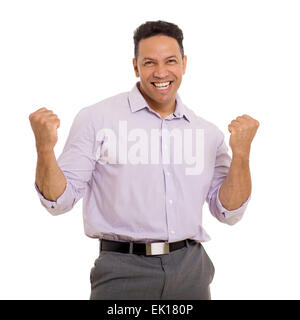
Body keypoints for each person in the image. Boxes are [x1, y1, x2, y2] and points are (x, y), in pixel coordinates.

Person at [29, 20, 259, 300]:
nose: (161, 72)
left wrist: (242, 154)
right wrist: (44, 149)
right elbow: (58, 201)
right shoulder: (96, 119)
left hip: (191, 271)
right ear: (136, 66)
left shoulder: (207, 133)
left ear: (184, 64)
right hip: (122, 272)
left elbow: (228, 212)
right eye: (149, 62)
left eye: (170, 61)